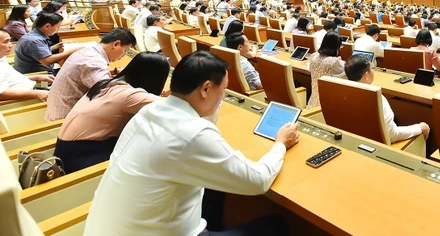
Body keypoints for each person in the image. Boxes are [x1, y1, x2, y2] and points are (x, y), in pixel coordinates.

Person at [83, 50, 300, 236]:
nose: (223, 96)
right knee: (276, 225)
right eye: (223, 89)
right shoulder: (192, 133)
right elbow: (258, 181)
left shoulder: (149, 111)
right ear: (205, 89)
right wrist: (280, 143)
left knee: (214, 191)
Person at [54, 53, 170, 173]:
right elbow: (172, 107)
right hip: (82, 157)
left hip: (64, 150)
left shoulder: (107, 84)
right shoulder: (128, 96)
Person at [46, 28, 137, 121]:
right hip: (64, 122)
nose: (124, 55)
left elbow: (89, 73)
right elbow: (110, 94)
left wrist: (113, 71)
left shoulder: (89, 51)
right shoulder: (93, 61)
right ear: (116, 44)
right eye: (125, 50)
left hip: (60, 112)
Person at [344, 54, 429, 143]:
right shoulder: (377, 98)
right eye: (372, 68)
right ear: (366, 76)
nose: (373, 71)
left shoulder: (343, 93)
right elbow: (391, 135)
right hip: (380, 146)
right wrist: (419, 128)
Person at [13, 13, 80, 74]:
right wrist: (73, 50)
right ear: (47, 26)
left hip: (38, 70)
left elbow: (41, 52)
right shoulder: (34, 41)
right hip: (35, 74)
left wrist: (59, 45)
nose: (58, 29)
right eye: (58, 27)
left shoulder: (35, 35)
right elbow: (47, 60)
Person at [0, 29, 53, 102]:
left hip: (30, 90)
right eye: (6, 42)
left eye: (10, 41)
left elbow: (9, 79)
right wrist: (36, 94)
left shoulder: (2, 57)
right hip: (21, 102)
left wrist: (35, 77)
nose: (11, 45)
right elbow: (1, 93)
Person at [308, 32, 346, 108]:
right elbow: (347, 75)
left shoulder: (313, 56)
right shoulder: (333, 62)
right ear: (336, 47)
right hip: (327, 104)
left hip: (313, 101)